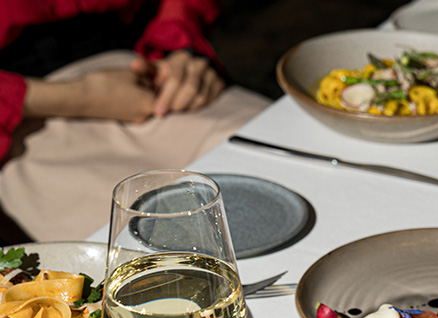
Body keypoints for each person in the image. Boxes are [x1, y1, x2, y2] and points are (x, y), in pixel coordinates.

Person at [0, 0, 271, 242]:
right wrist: (80, 97)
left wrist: (180, 44)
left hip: (136, 65)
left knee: (274, 156)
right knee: (143, 244)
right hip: (20, 115)